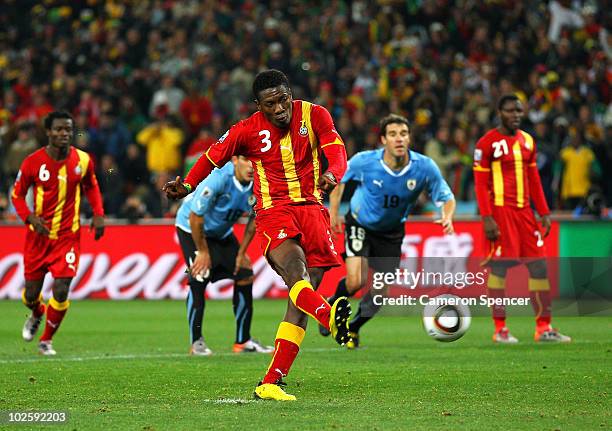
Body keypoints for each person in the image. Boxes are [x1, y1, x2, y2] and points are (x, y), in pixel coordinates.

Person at [163, 69, 351, 401]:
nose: (279, 109)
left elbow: (336, 149)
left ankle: (271, 381)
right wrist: (188, 185)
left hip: (314, 210)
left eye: (283, 100)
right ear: (258, 105)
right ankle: (328, 316)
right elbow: (212, 157)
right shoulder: (246, 130)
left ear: (290, 94)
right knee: (297, 273)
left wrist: (334, 173)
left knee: (300, 298)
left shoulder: (315, 114)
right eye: (270, 104)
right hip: (275, 209)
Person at [321, 114, 456, 348]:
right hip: (360, 223)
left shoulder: (424, 167)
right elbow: (339, 179)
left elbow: (446, 197)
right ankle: (330, 307)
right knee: (356, 281)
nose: (399, 139)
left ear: (409, 138)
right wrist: (333, 211)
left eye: (403, 134)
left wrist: (447, 216)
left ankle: (353, 329)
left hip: (392, 233)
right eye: (393, 134)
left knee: (380, 294)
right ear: (383, 139)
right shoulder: (365, 161)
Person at [473, 94, 571, 343]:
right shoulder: (487, 144)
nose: (515, 115)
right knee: (500, 268)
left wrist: (544, 212)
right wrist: (486, 218)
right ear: (499, 112)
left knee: (539, 266)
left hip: (525, 213)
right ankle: (500, 329)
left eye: (518, 111)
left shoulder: (528, 141)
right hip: (500, 212)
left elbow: (534, 179)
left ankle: (543, 327)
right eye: (509, 111)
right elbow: (480, 184)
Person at [11, 111, 105, 355]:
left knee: (62, 288)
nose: (64, 134)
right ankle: (37, 312)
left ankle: (46, 341)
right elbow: (17, 195)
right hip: (38, 237)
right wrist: (30, 218)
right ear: (48, 132)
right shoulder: (32, 162)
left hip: (68, 237)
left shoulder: (82, 160)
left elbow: (91, 186)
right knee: (31, 294)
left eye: (68, 129)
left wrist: (98, 214)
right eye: (59, 129)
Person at [175, 156, 272, 355]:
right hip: (191, 228)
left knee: (245, 273)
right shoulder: (218, 178)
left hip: (221, 233)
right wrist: (203, 251)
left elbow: (255, 218)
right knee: (199, 277)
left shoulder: (259, 182)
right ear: (235, 160)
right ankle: (197, 342)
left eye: (255, 161)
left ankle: (243, 341)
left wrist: (242, 252)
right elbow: (195, 216)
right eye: (246, 160)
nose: (251, 166)